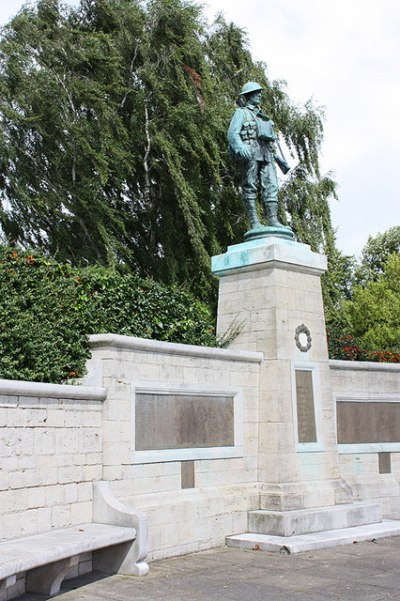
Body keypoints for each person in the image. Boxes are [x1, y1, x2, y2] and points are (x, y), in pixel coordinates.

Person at [228, 81, 288, 232]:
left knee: (272, 185)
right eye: (257, 93)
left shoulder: (263, 116)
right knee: (250, 185)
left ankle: (273, 220)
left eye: (260, 92)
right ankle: (255, 222)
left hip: (267, 154)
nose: (260, 95)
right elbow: (232, 133)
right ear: (249, 96)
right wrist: (240, 147)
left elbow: (271, 138)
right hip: (250, 153)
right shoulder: (241, 113)